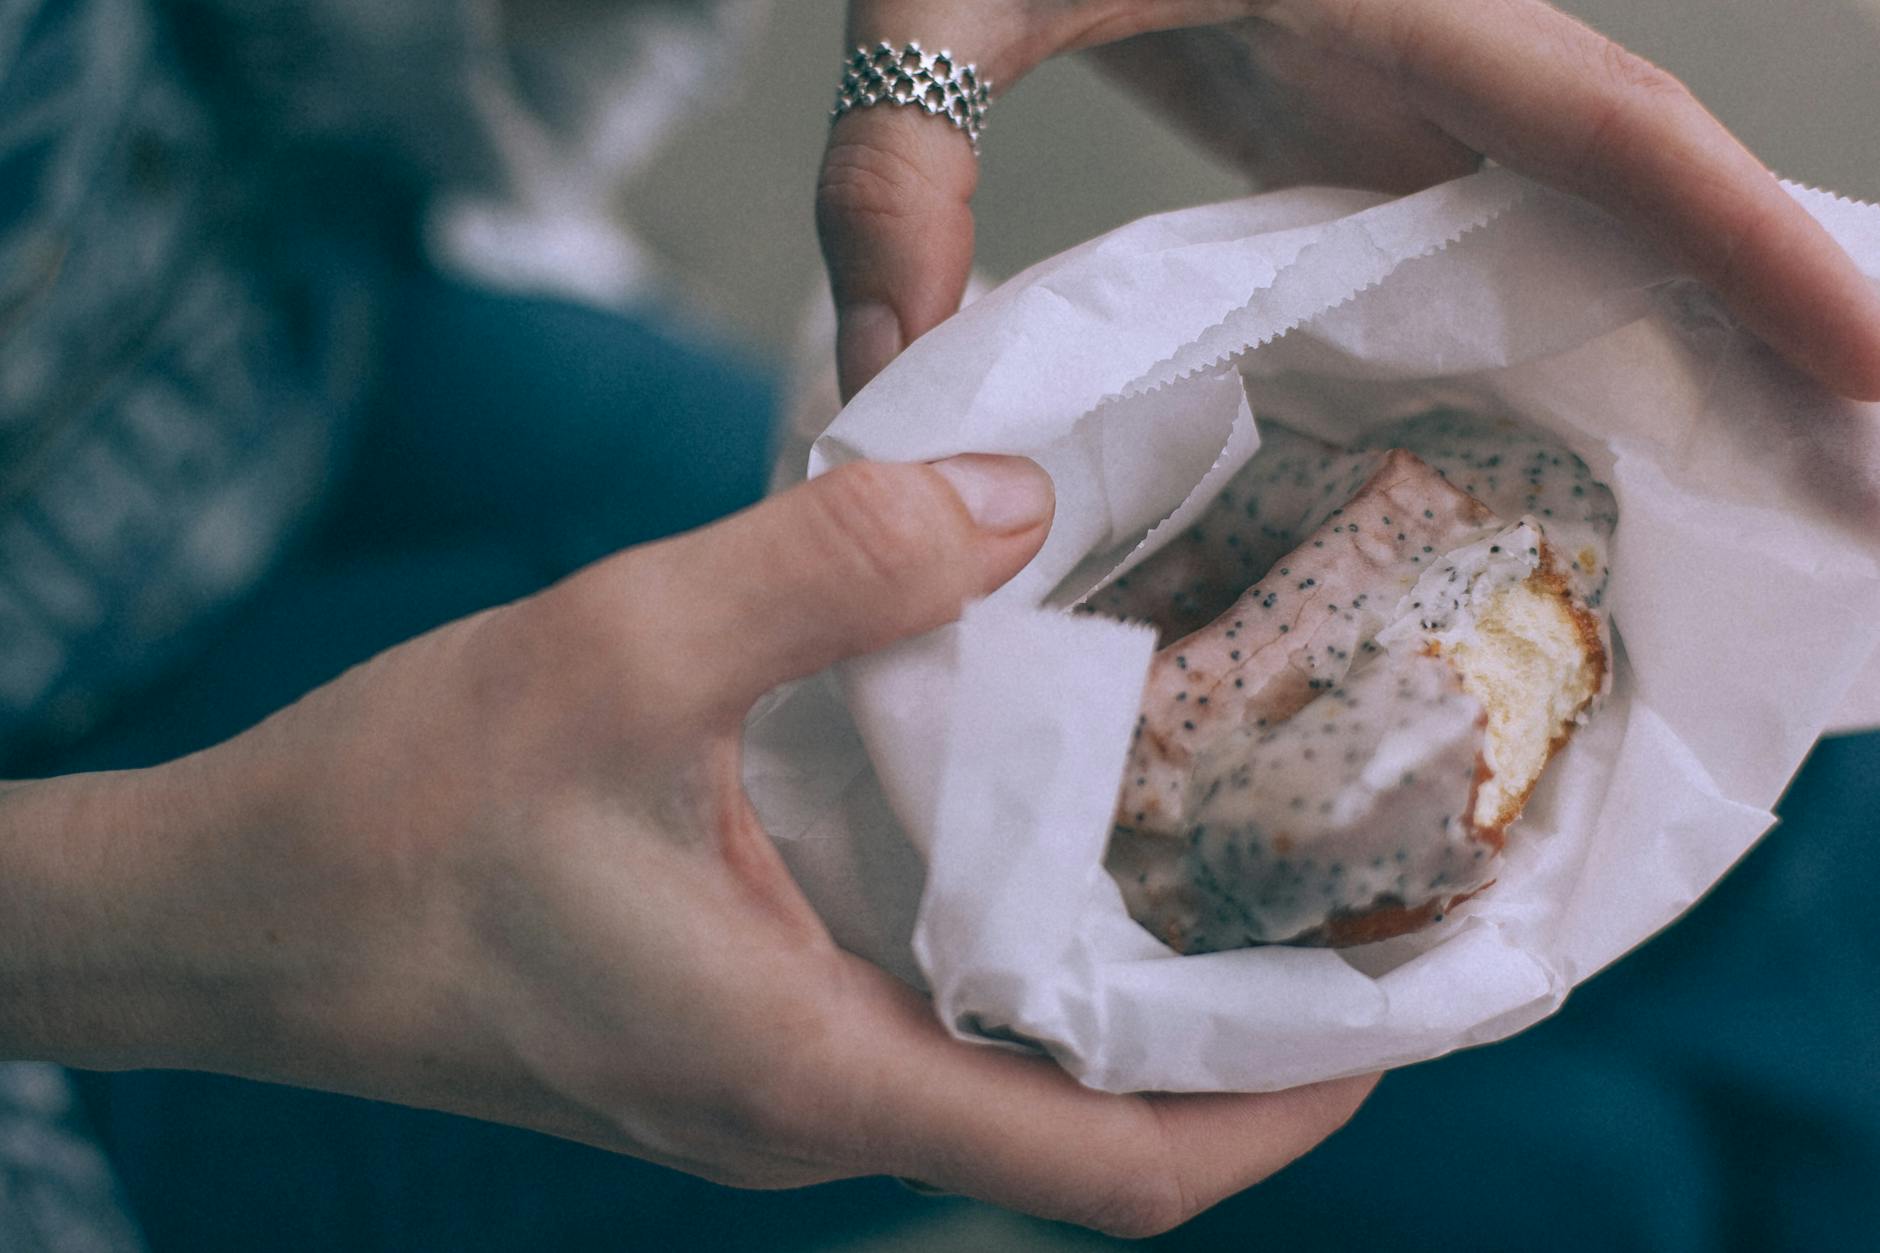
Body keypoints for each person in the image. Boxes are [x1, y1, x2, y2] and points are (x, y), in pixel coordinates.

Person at [1, 2, 1875, 1251]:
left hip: (251, 311)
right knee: (1583, 1178)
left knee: (1803, 896)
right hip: (89, 989)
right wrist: (131, 919)